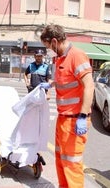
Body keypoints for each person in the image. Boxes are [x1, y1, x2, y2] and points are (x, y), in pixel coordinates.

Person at [40, 24, 94, 188]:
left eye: (48, 46)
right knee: (61, 160)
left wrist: (83, 116)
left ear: (55, 41)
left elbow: (89, 85)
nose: (48, 50)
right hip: (63, 120)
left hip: (75, 120)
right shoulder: (61, 58)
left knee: (72, 164)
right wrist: (52, 84)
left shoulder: (77, 55)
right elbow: (68, 80)